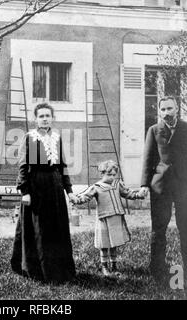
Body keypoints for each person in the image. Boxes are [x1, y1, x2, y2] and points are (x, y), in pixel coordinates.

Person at [11, 103, 79, 283]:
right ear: (35, 119)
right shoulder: (30, 138)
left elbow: (62, 166)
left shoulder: (57, 137)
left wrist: (69, 190)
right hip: (37, 187)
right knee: (39, 228)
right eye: (41, 116)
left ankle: (59, 270)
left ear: (53, 118)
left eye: (48, 115)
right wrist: (24, 191)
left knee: (56, 228)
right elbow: (24, 166)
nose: (45, 119)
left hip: (55, 187)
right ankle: (38, 270)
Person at [139, 96, 187, 282]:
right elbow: (148, 158)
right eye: (163, 109)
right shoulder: (153, 130)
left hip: (184, 186)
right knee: (158, 228)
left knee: (186, 227)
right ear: (159, 111)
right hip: (161, 187)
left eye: (170, 108)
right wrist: (144, 184)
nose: (167, 113)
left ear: (177, 109)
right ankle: (156, 268)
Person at [75, 160, 143, 276]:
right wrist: (77, 199)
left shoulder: (117, 184)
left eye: (113, 175)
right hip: (103, 219)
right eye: (109, 175)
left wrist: (138, 195)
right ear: (102, 174)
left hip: (116, 218)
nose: (112, 177)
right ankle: (104, 266)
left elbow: (127, 193)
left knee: (114, 242)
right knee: (104, 243)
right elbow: (85, 196)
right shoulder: (96, 187)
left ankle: (114, 266)